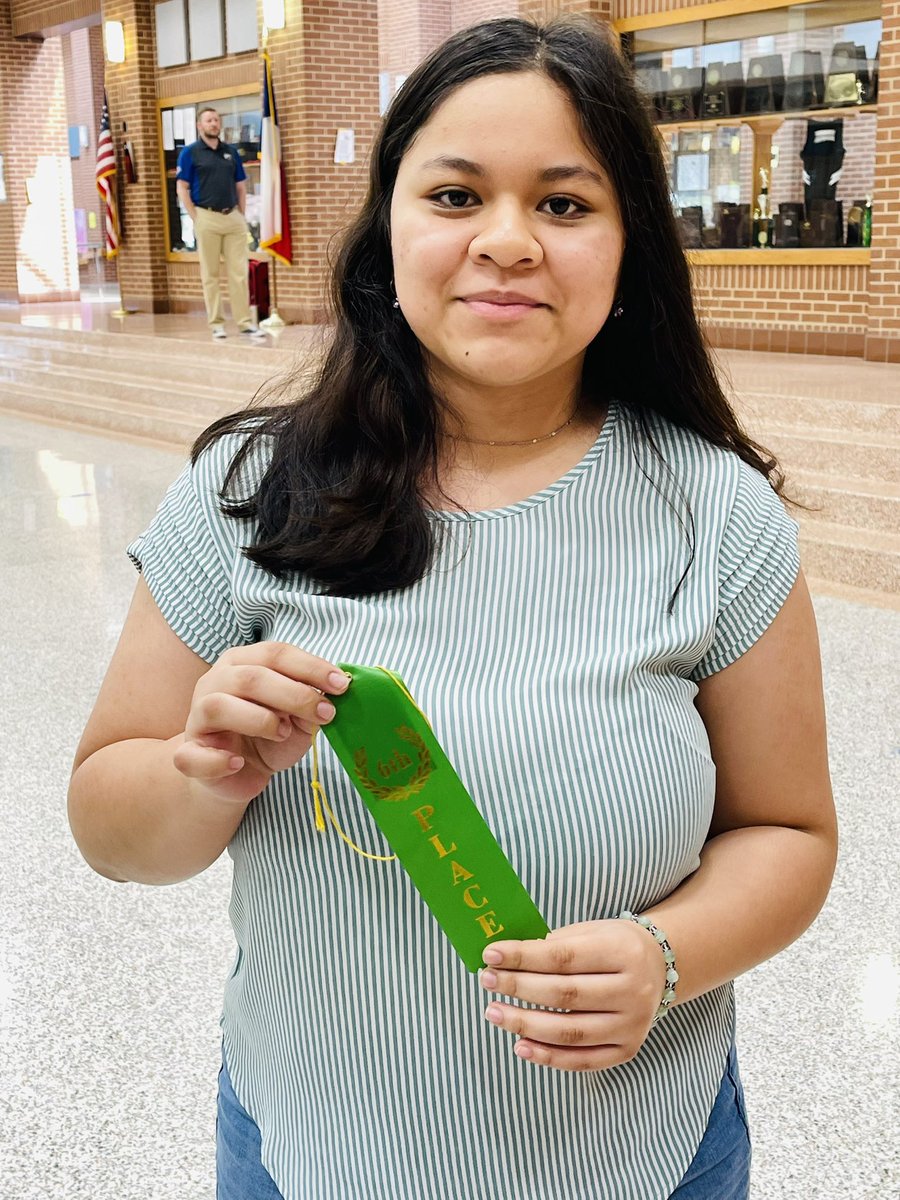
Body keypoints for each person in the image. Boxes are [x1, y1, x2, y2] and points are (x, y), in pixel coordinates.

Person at [69, 16, 837, 1200]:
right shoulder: (248, 491)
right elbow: (109, 830)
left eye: (567, 205)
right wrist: (199, 773)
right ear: (388, 232)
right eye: (456, 194)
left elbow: (787, 834)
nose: (509, 243)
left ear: (633, 244)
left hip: (640, 1152)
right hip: (306, 1147)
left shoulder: (716, 514)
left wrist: (666, 957)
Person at [176, 106, 266, 341]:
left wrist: (241, 214)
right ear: (200, 126)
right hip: (206, 216)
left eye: (216, 120)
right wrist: (196, 216)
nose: (214, 123)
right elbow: (182, 187)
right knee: (211, 274)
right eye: (208, 120)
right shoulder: (191, 153)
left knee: (239, 273)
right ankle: (216, 324)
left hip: (233, 217)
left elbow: (240, 186)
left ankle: (245, 323)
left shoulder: (230, 152)